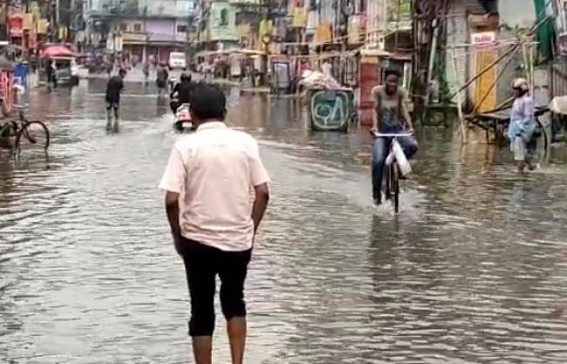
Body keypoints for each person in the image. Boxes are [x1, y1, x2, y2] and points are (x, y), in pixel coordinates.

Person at [159, 83, 270, 364]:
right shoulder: (246, 143)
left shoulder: (185, 146)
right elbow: (263, 192)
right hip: (238, 241)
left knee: (201, 312)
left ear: (192, 115)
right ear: (224, 112)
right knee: (235, 303)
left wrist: (178, 237)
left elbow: (172, 200)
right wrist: (250, 229)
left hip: (196, 242)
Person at [370, 68, 418, 205]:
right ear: (385, 80)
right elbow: (375, 109)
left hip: (397, 129)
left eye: (395, 82)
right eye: (390, 81)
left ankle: (399, 168)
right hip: (381, 131)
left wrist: (410, 126)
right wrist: (374, 127)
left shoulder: (401, 92)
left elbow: (403, 109)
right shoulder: (377, 91)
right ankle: (376, 193)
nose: (392, 84)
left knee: (412, 145)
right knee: (378, 161)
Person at [508, 78, 537, 172]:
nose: (515, 92)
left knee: (520, 157)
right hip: (515, 130)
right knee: (522, 153)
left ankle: (520, 177)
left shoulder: (527, 101)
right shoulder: (517, 100)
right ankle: (532, 168)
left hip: (521, 131)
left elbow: (528, 117)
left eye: (517, 90)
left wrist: (520, 128)